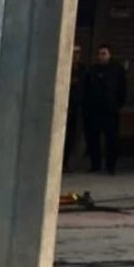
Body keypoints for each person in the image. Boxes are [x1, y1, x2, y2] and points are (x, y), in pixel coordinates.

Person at [83, 44, 127, 175]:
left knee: (111, 139)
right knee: (93, 139)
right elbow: (86, 89)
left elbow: (122, 90)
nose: (101, 57)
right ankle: (95, 164)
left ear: (109, 55)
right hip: (94, 111)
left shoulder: (117, 70)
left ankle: (111, 166)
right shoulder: (92, 70)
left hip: (111, 110)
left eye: (104, 54)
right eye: (99, 54)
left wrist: (117, 104)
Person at [63, 44, 86, 173]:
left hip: (77, 108)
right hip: (64, 107)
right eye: (74, 53)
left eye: (78, 53)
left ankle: (66, 162)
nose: (76, 56)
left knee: (72, 137)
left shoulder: (82, 70)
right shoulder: (64, 67)